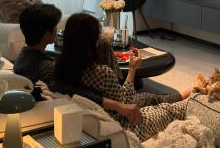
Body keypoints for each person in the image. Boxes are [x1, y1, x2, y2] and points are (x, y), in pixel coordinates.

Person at [53, 12, 199, 141]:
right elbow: (126, 103)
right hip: (124, 126)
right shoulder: (102, 73)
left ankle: (185, 92)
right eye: (98, 36)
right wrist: (132, 69)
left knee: (148, 97)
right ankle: (196, 94)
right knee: (168, 110)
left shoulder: (59, 67)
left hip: (99, 119)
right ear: (92, 41)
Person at [14, 3, 142, 126]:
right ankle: (121, 83)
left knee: (103, 43)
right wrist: (118, 105)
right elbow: (78, 94)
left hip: (103, 85)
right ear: (47, 34)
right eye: (55, 26)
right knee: (148, 98)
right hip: (103, 112)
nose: (57, 30)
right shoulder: (47, 69)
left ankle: (120, 83)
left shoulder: (22, 58)